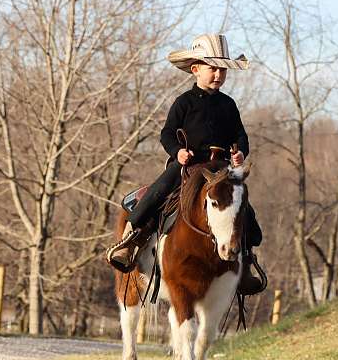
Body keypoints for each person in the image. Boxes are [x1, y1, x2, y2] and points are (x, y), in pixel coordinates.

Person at [106, 34, 263, 295]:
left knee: (244, 212)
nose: (218, 74)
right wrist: (177, 152)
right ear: (196, 70)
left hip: (221, 171)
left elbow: (239, 135)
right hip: (188, 168)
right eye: (212, 68)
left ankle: (245, 263)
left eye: (222, 69)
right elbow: (167, 133)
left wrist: (240, 153)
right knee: (158, 191)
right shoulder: (184, 103)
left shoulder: (228, 105)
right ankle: (130, 240)